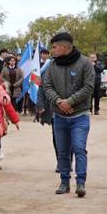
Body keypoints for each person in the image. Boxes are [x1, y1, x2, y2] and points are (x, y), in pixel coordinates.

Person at [42, 32, 94, 197]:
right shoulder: (52, 65)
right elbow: (47, 85)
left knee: (79, 148)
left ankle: (81, 183)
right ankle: (64, 182)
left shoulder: (85, 63)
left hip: (80, 116)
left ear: (65, 47)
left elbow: (88, 87)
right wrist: (59, 102)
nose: (53, 50)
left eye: (55, 47)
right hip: (60, 116)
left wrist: (70, 102)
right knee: (63, 151)